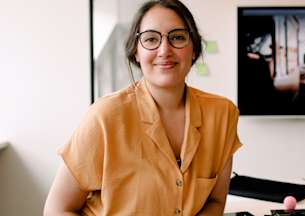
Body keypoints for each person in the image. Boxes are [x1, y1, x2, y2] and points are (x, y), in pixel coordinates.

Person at [43, 0, 241, 215]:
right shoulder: (104, 116)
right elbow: (57, 209)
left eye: (177, 37)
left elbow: (215, 201)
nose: (165, 50)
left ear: (194, 49)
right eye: (151, 39)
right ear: (136, 53)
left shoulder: (222, 114)